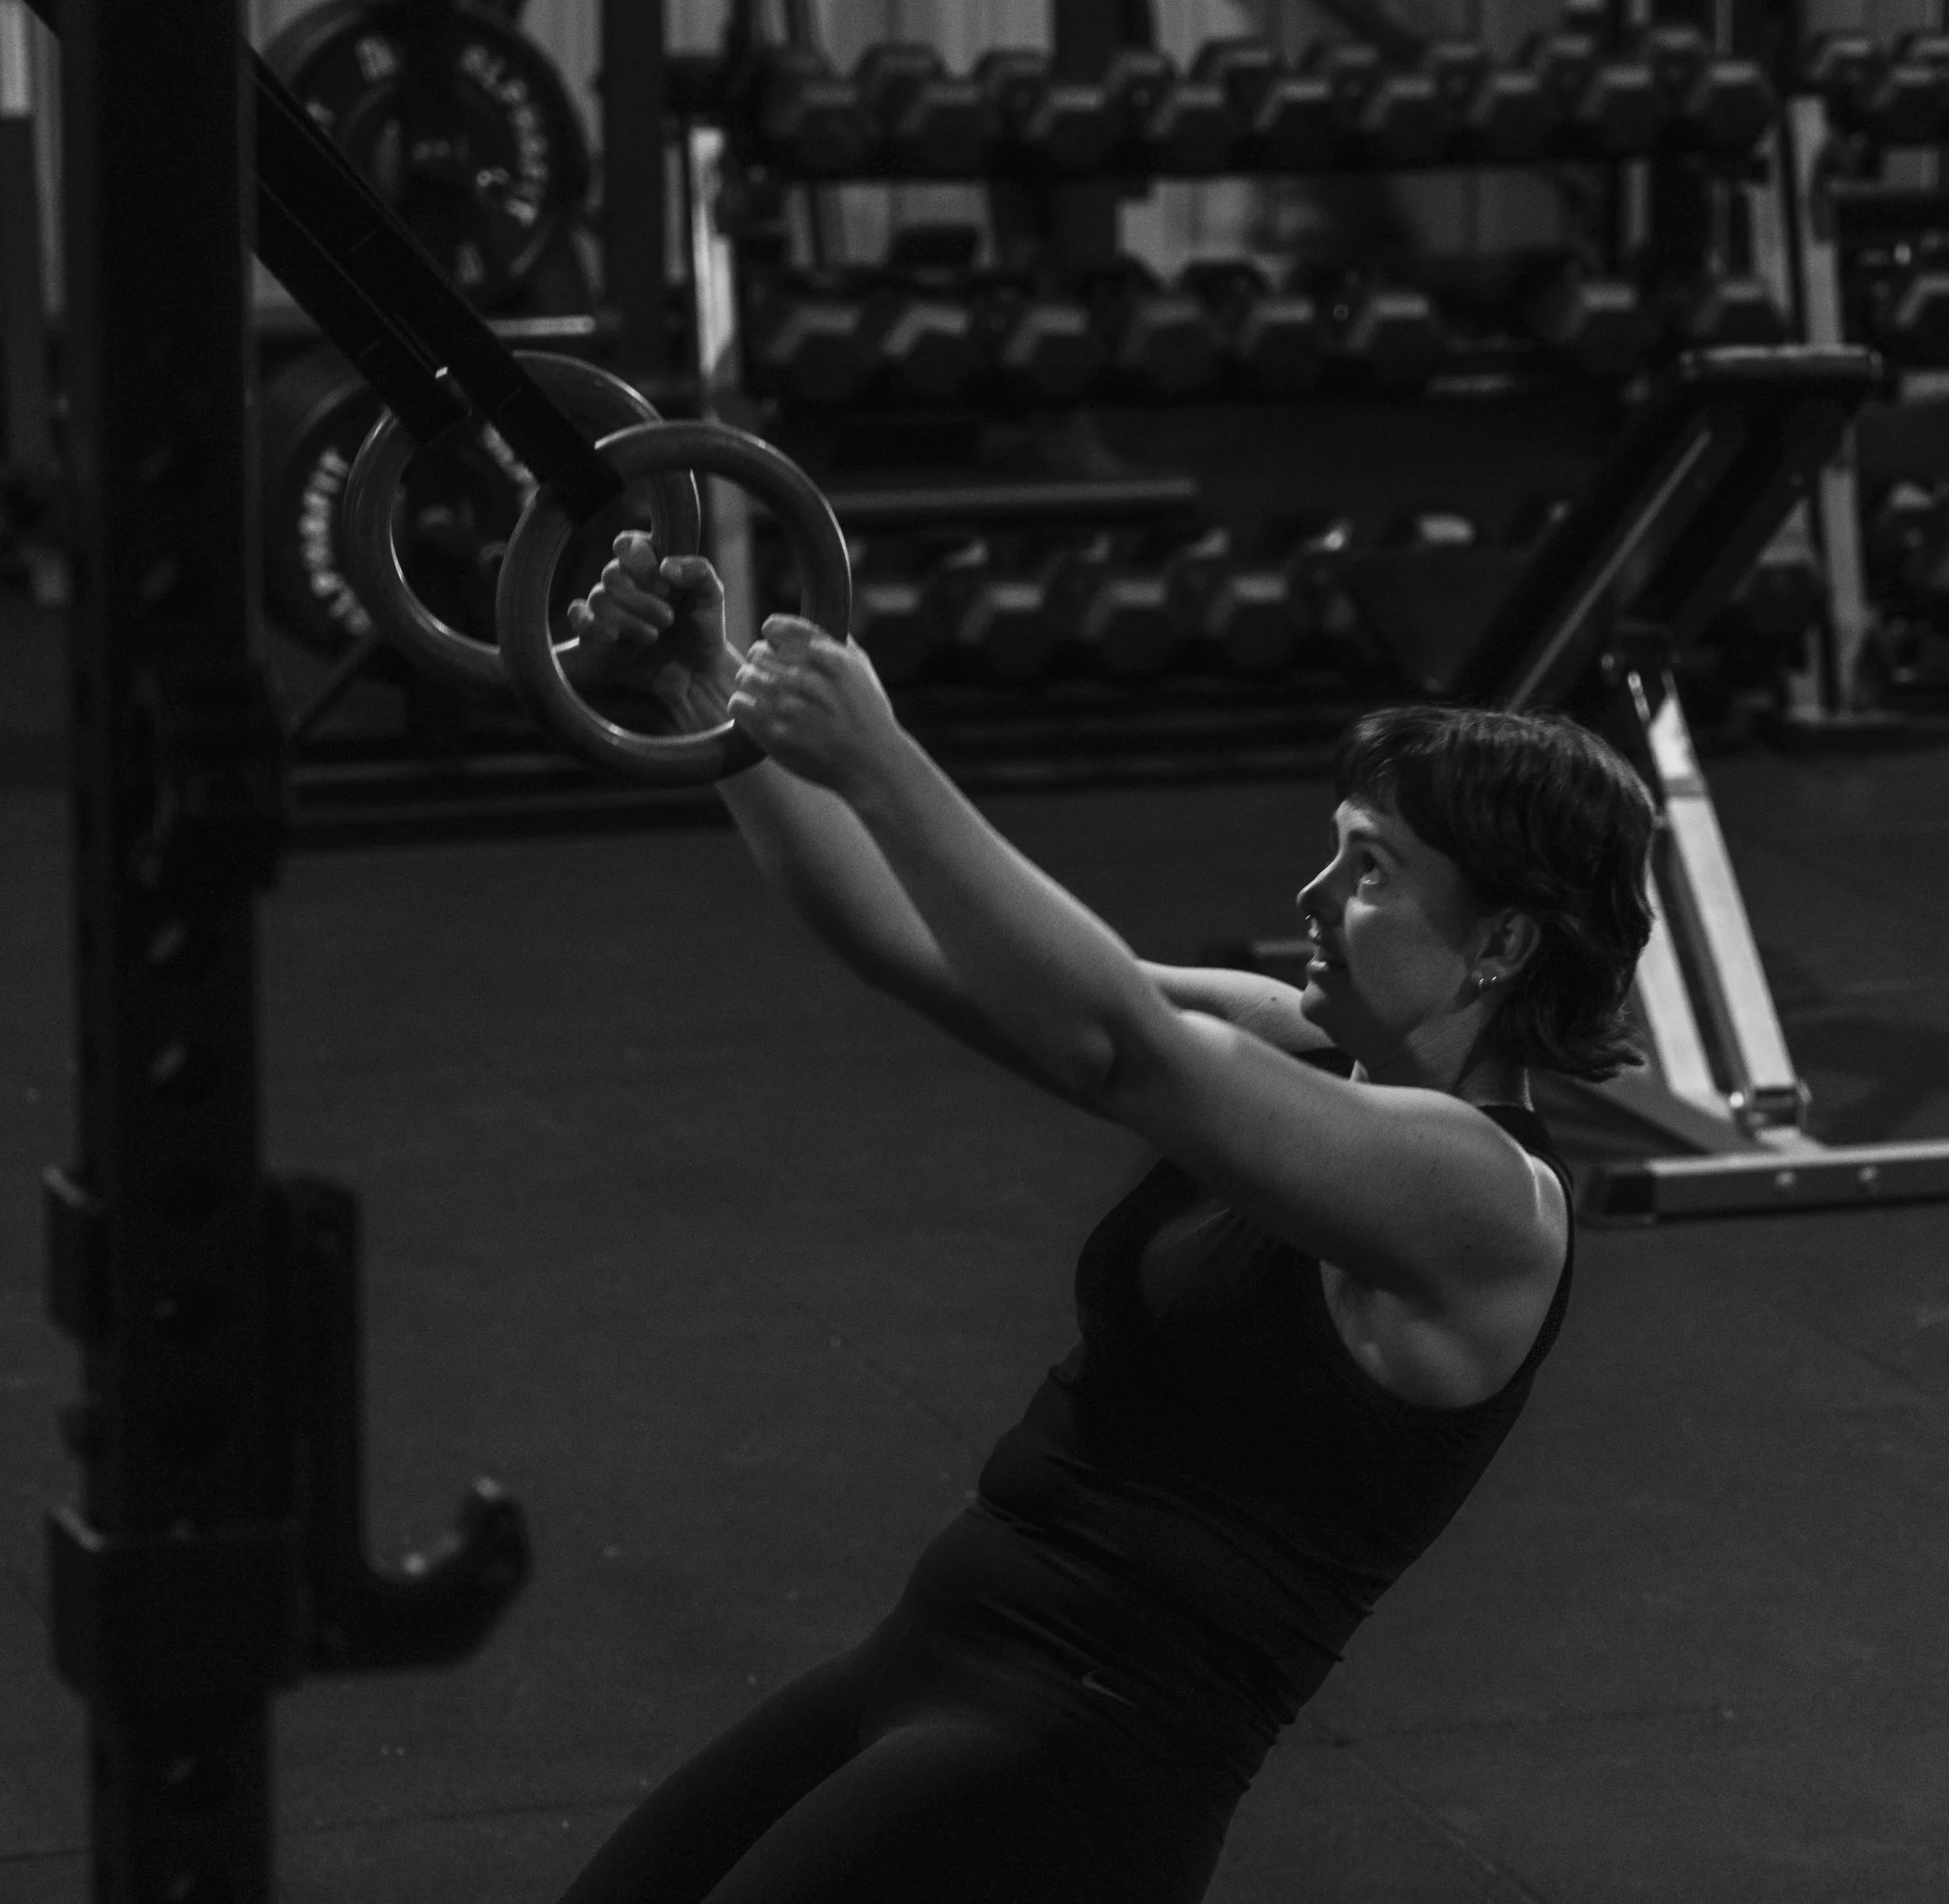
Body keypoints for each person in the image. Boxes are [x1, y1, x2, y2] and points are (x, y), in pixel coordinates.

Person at [553, 539, 1657, 1904]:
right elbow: (909, 937)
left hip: (1077, 1758)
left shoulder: (1487, 1202)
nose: (1312, 899)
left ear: (1500, 946)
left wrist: (886, 760)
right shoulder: (1314, 1048)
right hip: (927, 1662)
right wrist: (702, 695)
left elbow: (1111, 1046)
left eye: (1370, 870)